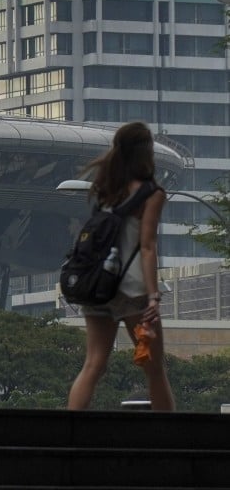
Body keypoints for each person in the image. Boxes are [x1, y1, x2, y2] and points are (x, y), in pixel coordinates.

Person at [67, 121, 175, 411]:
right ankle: (171, 439)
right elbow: (148, 246)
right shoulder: (152, 194)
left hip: (99, 287)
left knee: (93, 364)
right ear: (146, 153)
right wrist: (153, 296)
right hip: (134, 291)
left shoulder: (106, 189)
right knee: (154, 370)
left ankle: (66, 433)